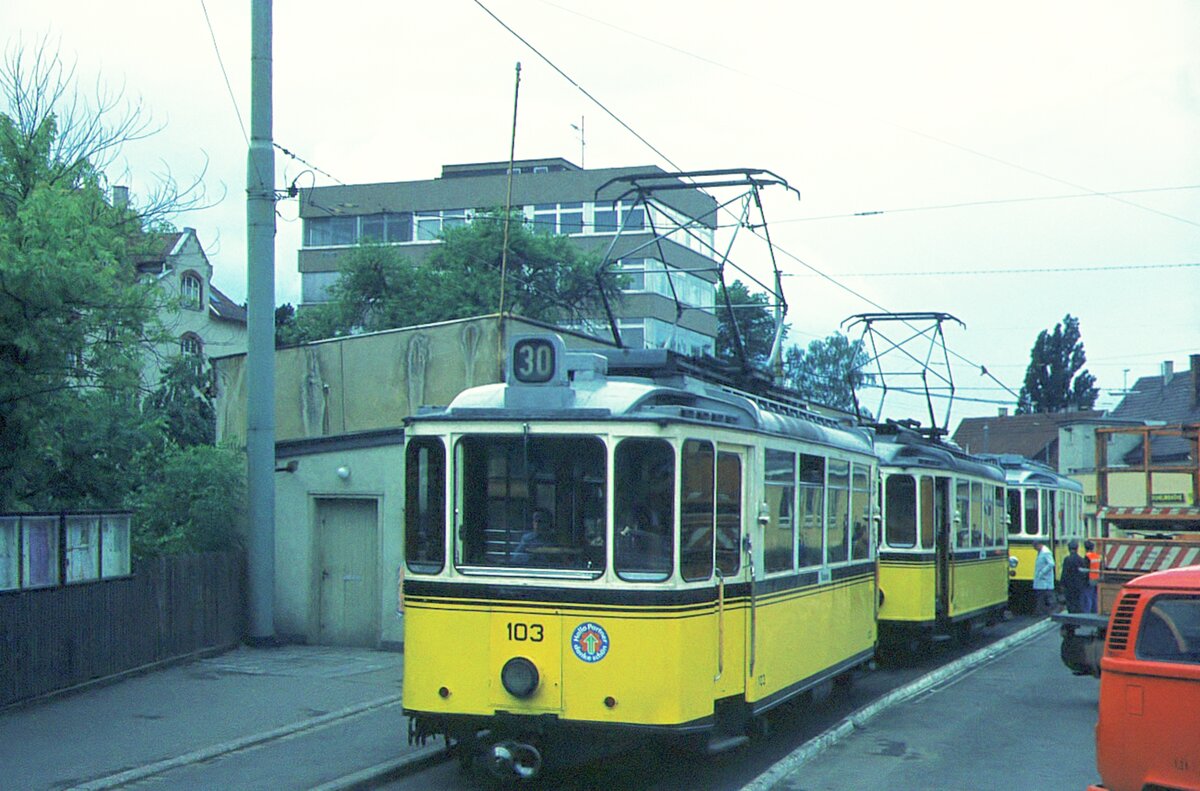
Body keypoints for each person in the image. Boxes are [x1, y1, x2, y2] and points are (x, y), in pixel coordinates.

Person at [1060, 539, 1089, 613]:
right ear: (1077, 549)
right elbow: (1084, 573)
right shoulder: (1081, 560)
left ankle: (1071, 616)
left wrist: (1062, 584)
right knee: (1078, 601)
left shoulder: (1067, 559)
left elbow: (1064, 573)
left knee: (1070, 602)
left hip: (1069, 585)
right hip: (1079, 585)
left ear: (1069, 549)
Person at [1032, 540, 1057, 615]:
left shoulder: (1046, 552)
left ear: (1039, 545)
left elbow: (1051, 563)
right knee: (1041, 596)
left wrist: (1042, 572)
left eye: (1035, 547)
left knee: (1048, 595)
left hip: (1045, 579)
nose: (1034, 549)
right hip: (1042, 580)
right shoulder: (1041, 552)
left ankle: (1050, 610)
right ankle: (1040, 611)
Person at [1082, 540, 1100, 614]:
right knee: (1095, 597)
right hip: (1097, 578)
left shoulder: (1087, 557)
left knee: (1088, 597)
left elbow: (1086, 569)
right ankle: (1095, 611)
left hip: (1089, 579)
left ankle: (1087, 614)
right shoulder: (1097, 556)